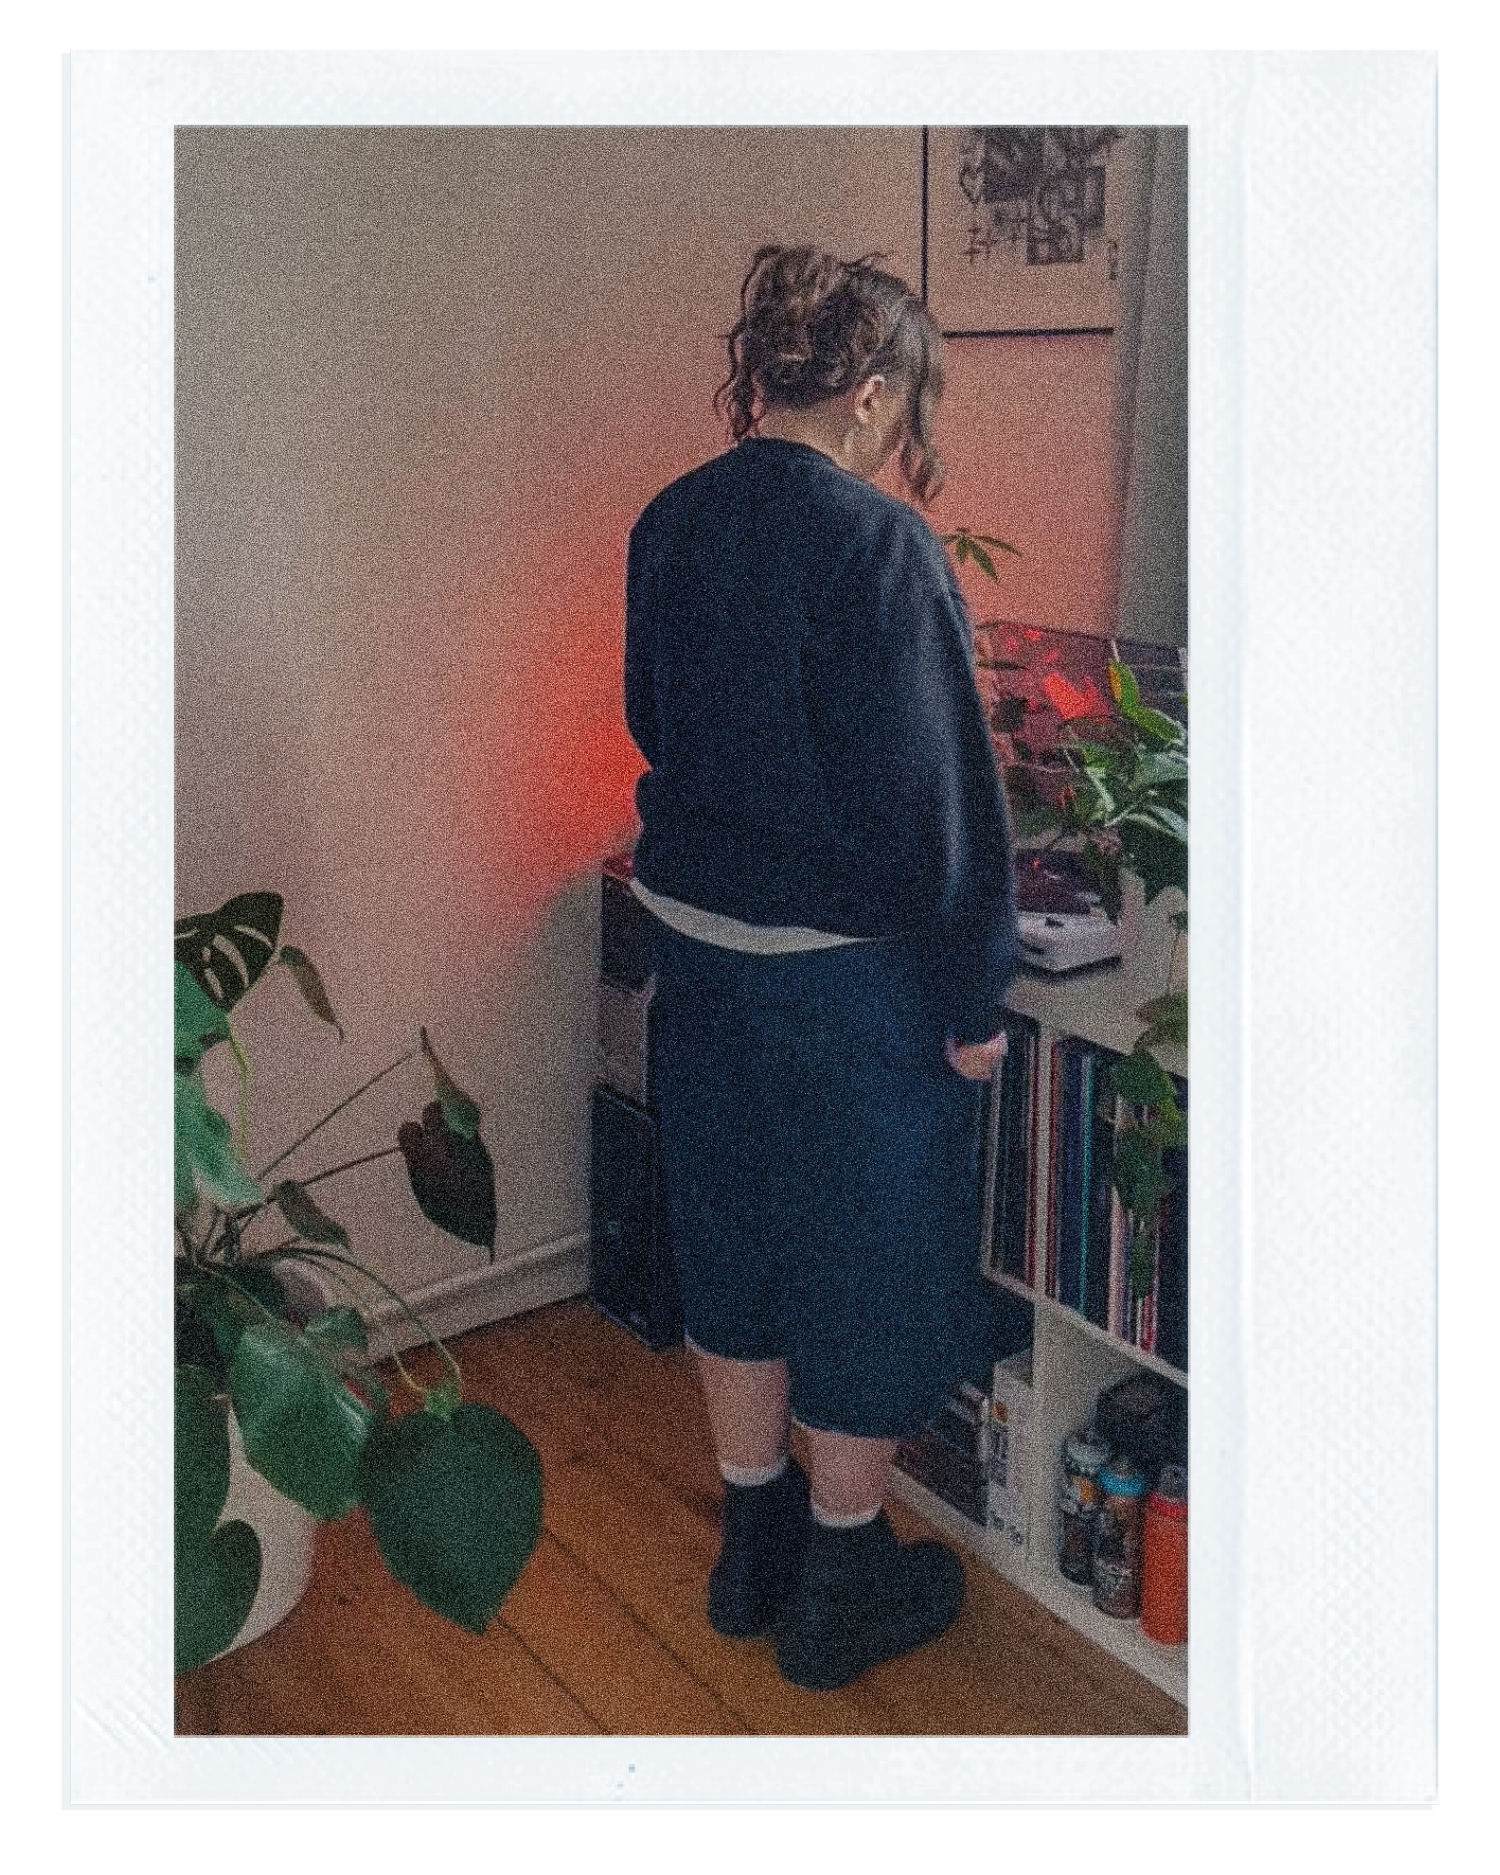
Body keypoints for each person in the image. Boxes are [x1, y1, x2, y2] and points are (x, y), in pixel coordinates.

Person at [623, 244, 1020, 1692]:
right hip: (844, 994)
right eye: (906, 406)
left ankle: (755, 1544)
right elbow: (941, 808)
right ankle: (843, 1576)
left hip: (698, 965)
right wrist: (972, 996)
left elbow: (649, 716)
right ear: (868, 393)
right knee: (870, 1264)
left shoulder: (670, 520)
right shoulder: (880, 545)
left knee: (731, 1241)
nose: (904, 436)